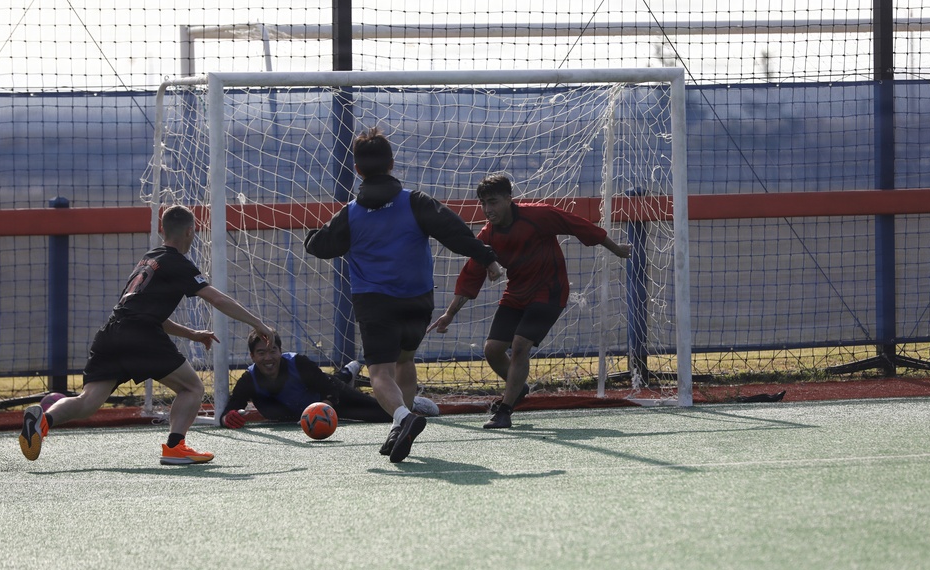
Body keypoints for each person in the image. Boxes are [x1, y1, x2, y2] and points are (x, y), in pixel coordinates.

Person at [18, 204, 275, 466]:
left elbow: (144, 311)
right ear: (190, 231)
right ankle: (175, 447)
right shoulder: (179, 263)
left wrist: (191, 333)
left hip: (111, 333)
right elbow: (217, 299)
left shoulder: (148, 259)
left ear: (163, 230)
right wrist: (259, 325)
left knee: (88, 402)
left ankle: (42, 420)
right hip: (141, 335)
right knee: (192, 387)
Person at [304, 127, 502, 462]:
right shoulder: (415, 202)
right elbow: (454, 233)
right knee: (405, 360)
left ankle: (402, 418)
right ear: (392, 163)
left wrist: (312, 236)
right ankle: (402, 427)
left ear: (357, 169)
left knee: (380, 372)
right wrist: (488, 258)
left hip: (376, 303)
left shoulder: (350, 214)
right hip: (418, 302)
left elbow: (321, 247)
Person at [428, 173, 632, 429]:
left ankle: (505, 410)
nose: (488, 210)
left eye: (493, 202)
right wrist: (449, 314)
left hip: (550, 292)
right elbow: (471, 274)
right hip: (516, 295)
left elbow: (580, 225)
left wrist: (617, 250)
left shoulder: (539, 215)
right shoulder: (487, 235)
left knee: (520, 344)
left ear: (508, 199)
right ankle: (518, 387)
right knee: (492, 350)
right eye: (483, 203)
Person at [218, 330, 440, 428]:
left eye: (272, 350)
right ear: (252, 356)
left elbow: (328, 388)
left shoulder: (298, 363)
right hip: (303, 414)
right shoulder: (249, 379)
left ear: (280, 350)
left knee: (384, 415)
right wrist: (228, 419)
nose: (268, 358)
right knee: (341, 382)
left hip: (331, 401)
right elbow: (230, 409)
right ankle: (346, 373)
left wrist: (325, 407)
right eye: (261, 353)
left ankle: (411, 403)